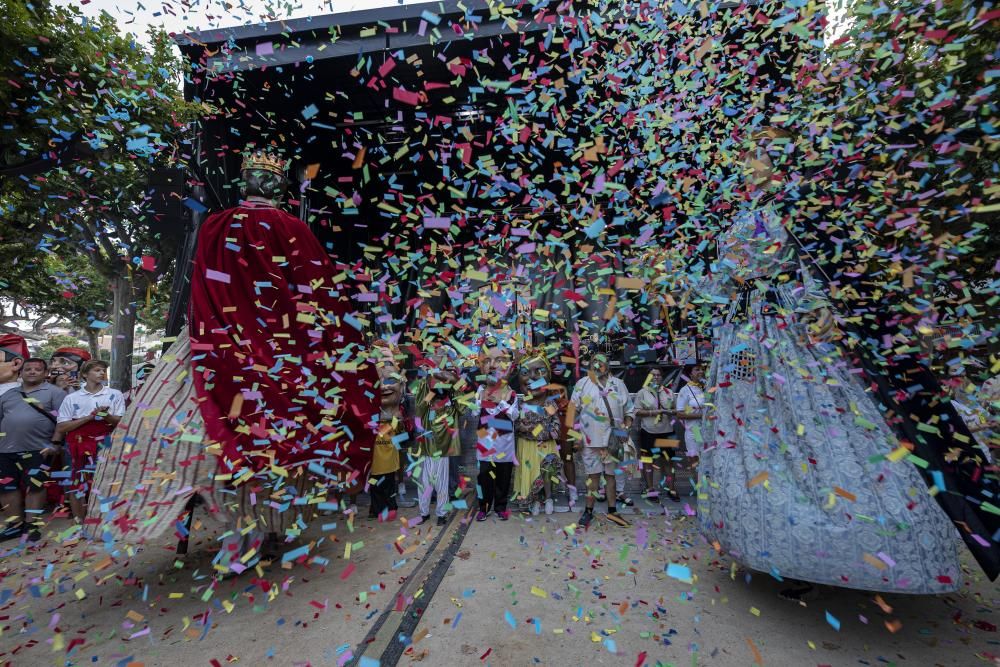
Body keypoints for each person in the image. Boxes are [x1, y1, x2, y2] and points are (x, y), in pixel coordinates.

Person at [695, 127, 962, 598]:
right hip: (743, 333)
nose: (747, 163)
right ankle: (767, 542)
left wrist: (817, 307)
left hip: (783, 325)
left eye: (756, 155)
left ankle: (833, 544)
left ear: (776, 159)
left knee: (807, 421)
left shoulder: (796, 208)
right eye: (746, 156)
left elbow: (815, 267)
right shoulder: (744, 214)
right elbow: (724, 281)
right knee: (750, 423)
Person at [88, 149, 377, 571]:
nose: (263, 184)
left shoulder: (227, 224)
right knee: (283, 434)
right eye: (262, 177)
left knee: (185, 429)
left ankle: (261, 530)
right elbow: (317, 292)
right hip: (261, 346)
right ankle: (261, 529)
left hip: (218, 342)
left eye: (266, 178)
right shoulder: (277, 226)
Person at [0, 353, 66, 542]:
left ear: (45, 373)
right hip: (5, 450)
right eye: (28, 369)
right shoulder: (8, 395)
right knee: (6, 487)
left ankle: (32, 525)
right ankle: (15, 525)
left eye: (37, 369)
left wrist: (55, 443)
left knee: (35, 487)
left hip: (39, 448)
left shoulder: (55, 393)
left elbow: (62, 419)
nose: (32, 372)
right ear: (20, 372)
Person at [56, 360, 125, 522]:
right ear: (85, 374)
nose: (102, 373)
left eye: (103, 371)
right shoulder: (72, 397)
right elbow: (62, 427)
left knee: (105, 481)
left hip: (105, 442)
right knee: (77, 483)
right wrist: (89, 417)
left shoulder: (114, 394)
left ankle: (103, 521)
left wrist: (105, 416)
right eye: (97, 370)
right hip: (77, 444)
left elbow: (122, 423)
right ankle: (80, 521)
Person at [571, 352, 634, 527]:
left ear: (608, 365)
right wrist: (576, 437)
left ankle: (613, 511)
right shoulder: (582, 384)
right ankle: (588, 511)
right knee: (592, 477)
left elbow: (629, 410)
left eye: (601, 362)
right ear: (590, 365)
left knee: (611, 476)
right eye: (594, 362)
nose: (597, 365)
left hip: (612, 441)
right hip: (589, 440)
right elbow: (572, 412)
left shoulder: (619, 385)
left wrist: (626, 429)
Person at [412, 344, 464, 526]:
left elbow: (463, 407)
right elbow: (419, 408)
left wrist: (453, 386)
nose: (437, 359)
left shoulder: (452, 380)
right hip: (427, 439)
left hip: (444, 442)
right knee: (425, 480)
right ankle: (424, 512)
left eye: (441, 356)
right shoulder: (424, 382)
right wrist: (431, 391)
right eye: (434, 356)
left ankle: (441, 513)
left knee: (442, 480)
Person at [475, 337, 519, 521]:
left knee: (503, 475)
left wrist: (499, 402)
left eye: (499, 361)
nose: (493, 366)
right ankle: (483, 508)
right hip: (485, 439)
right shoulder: (480, 389)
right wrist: (479, 402)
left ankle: (501, 506)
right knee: (484, 475)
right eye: (488, 361)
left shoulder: (510, 393)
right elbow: (475, 413)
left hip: (504, 442)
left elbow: (514, 416)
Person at [513, 350, 562, 515]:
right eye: (526, 373)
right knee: (531, 472)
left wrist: (544, 432)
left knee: (546, 472)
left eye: (539, 372)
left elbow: (556, 425)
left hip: (545, 445)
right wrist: (526, 429)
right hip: (526, 446)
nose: (532, 378)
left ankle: (548, 498)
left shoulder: (549, 403)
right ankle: (534, 500)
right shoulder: (521, 403)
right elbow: (517, 425)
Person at [369, 342, 408, 521]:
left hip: (392, 430)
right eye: (379, 382)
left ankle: (391, 505)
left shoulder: (401, 380)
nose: (384, 387)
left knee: (391, 473)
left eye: (390, 381)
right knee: (374, 476)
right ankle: (375, 508)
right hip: (374, 434)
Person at [634, 367, 678, 501]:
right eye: (653, 375)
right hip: (649, 431)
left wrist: (671, 412)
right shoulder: (642, 393)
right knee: (648, 461)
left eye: (658, 375)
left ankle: (671, 489)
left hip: (667, 431)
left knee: (669, 461)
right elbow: (636, 411)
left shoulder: (669, 392)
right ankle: (650, 490)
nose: (656, 377)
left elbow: (676, 410)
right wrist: (653, 413)